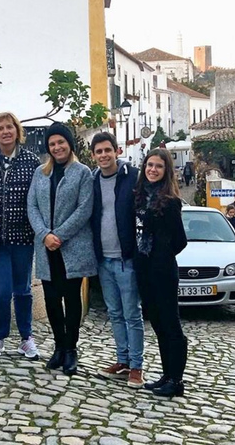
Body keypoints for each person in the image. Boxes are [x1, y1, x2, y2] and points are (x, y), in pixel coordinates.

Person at [27, 122, 95, 376]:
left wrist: (60, 235)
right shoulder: (40, 173)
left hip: (72, 247)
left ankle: (71, 349)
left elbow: (84, 209)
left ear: (69, 144)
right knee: (51, 299)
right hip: (46, 248)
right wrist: (45, 235)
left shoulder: (82, 173)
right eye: (52, 144)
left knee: (71, 299)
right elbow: (31, 206)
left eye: (61, 142)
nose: (57, 147)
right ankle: (57, 346)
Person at [0, 112, 41, 360]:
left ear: (17, 131)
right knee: (1, 291)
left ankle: (26, 338)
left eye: (10, 127)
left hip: (23, 237)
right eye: (0, 128)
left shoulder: (31, 161)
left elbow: (38, 197)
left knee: (23, 290)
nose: (6, 131)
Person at [90, 132, 145, 389]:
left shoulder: (132, 177)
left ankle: (136, 366)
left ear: (117, 151)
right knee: (114, 313)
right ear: (93, 155)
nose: (103, 155)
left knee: (132, 314)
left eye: (107, 150)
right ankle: (122, 360)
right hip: (104, 260)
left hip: (127, 259)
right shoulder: (92, 181)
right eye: (98, 151)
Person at [134, 148, 188, 397]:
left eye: (158, 166)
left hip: (163, 272)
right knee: (157, 323)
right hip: (144, 270)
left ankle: (176, 381)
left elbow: (180, 240)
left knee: (171, 325)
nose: (152, 169)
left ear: (166, 171)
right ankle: (166, 375)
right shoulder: (141, 197)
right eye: (149, 165)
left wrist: (161, 255)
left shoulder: (170, 201)